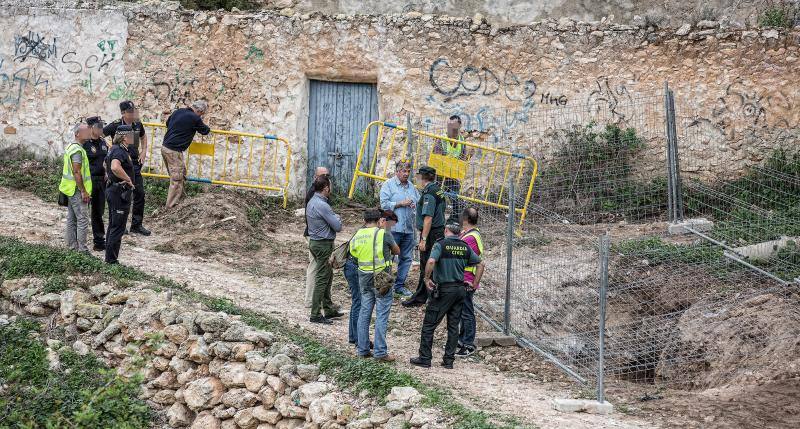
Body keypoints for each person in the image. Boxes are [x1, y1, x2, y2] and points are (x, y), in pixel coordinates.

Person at [410, 223, 484, 369]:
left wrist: (426, 279)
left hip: (444, 290)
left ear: (445, 231)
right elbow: (481, 264)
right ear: (458, 233)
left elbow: (431, 261)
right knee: (453, 326)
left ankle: (425, 358)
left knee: (429, 325)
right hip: (460, 290)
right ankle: (449, 360)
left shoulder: (440, 245)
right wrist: (474, 284)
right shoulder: (464, 246)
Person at [351, 209, 400, 361]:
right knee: (382, 314)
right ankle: (380, 352)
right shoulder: (382, 233)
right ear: (379, 220)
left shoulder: (357, 234)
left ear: (364, 220)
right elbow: (397, 250)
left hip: (363, 276)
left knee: (364, 313)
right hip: (381, 277)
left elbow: (353, 253)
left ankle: (363, 349)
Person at [103, 100, 151, 236]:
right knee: (121, 195)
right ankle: (120, 224)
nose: (134, 113)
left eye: (134, 110)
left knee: (140, 193)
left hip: (134, 164)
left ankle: (136, 225)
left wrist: (143, 150)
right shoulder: (116, 125)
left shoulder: (137, 123)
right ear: (123, 113)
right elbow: (100, 135)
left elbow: (143, 135)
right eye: (131, 111)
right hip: (120, 164)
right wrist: (110, 147)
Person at [402, 166, 446, 307]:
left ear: (423, 177)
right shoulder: (438, 189)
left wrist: (423, 239)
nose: (417, 178)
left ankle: (427, 297)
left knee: (426, 264)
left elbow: (428, 218)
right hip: (438, 231)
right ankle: (424, 295)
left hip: (431, 233)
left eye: (418, 175)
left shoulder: (429, 193)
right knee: (430, 264)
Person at [306, 175, 344, 324]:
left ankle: (328, 309)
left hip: (316, 242)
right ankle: (315, 314)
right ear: (326, 188)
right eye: (330, 187)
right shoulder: (322, 205)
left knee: (327, 276)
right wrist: (337, 217)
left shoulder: (312, 201)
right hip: (323, 244)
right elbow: (338, 226)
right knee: (322, 279)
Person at [379, 160, 420, 297]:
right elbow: (384, 205)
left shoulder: (411, 187)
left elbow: (418, 202)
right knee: (388, 256)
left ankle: (399, 285)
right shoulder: (388, 185)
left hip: (408, 228)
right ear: (397, 171)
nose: (406, 174)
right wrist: (400, 203)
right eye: (403, 171)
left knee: (406, 258)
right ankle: (384, 284)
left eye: (408, 171)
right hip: (393, 228)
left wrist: (414, 205)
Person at [161, 100, 211, 208]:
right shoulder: (195, 118)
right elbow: (205, 130)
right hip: (174, 151)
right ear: (200, 111)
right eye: (202, 114)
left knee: (181, 173)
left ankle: (180, 200)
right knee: (177, 179)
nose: (201, 116)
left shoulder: (178, 111)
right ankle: (171, 206)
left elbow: (167, 123)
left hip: (165, 147)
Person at [104, 126, 136, 264]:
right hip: (119, 192)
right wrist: (128, 179)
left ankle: (110, 258)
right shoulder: (118, 150)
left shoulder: (117, 149)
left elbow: (106, 165)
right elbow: (114, 167)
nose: (133, 137)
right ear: (124, 137)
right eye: (131, 135)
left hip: (115, 189)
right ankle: (111, 260)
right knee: (117, 227)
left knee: (114, 225)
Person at [59, 123, 92, 254]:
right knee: (82, 219)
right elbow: (76, 172)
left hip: (70, 188)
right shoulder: (77, 150)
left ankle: (72, 247)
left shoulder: (73, 147)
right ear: (77, 134)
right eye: (86, 131)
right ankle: (82, 250)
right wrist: (83, 191)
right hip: (76, 190)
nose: (89, 132)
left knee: (72, 218)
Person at [455, 207, 483, 358]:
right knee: (462, 311)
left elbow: (473, 261)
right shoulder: (468, 234)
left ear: (464, 219)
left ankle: (468, 344)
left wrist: (474, 283)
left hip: (467, 280)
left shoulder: (470, 238)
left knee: (466, 312)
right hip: (463, 278)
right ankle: (461, 340)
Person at [432, 115, 467, 224]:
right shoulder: (442, 139)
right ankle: (437, 219)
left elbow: (462, 158)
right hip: (440, 174)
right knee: (438, 196)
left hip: (453, 174)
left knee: (455, 198)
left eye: (453, 125)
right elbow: (437, 157)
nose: (451, 128)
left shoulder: (462, 141)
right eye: (449, 125)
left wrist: (466, 158)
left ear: (459, 125)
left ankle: (454, 221)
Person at [304, 166, 330, 308]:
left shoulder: (320, 194)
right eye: (323, 175)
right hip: (315, 236)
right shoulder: (314, 194)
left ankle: (319, 300)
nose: (326, 178)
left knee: (320, 268)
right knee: (315, 267)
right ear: (316, 178)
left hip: (316, 235)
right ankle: (311, 301)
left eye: (327, 175)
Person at [83, 116, 109, 251]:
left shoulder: (104, 143)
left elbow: (108, 160)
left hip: (101, 182)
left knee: (98, 212)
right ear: (91, 127)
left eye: (102, 126)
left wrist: (107, 173)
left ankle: (99, 242)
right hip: (88, 181)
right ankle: (78, 241)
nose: (101, 129)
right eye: (98, 126)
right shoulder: (85, 144)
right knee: (82, 212)